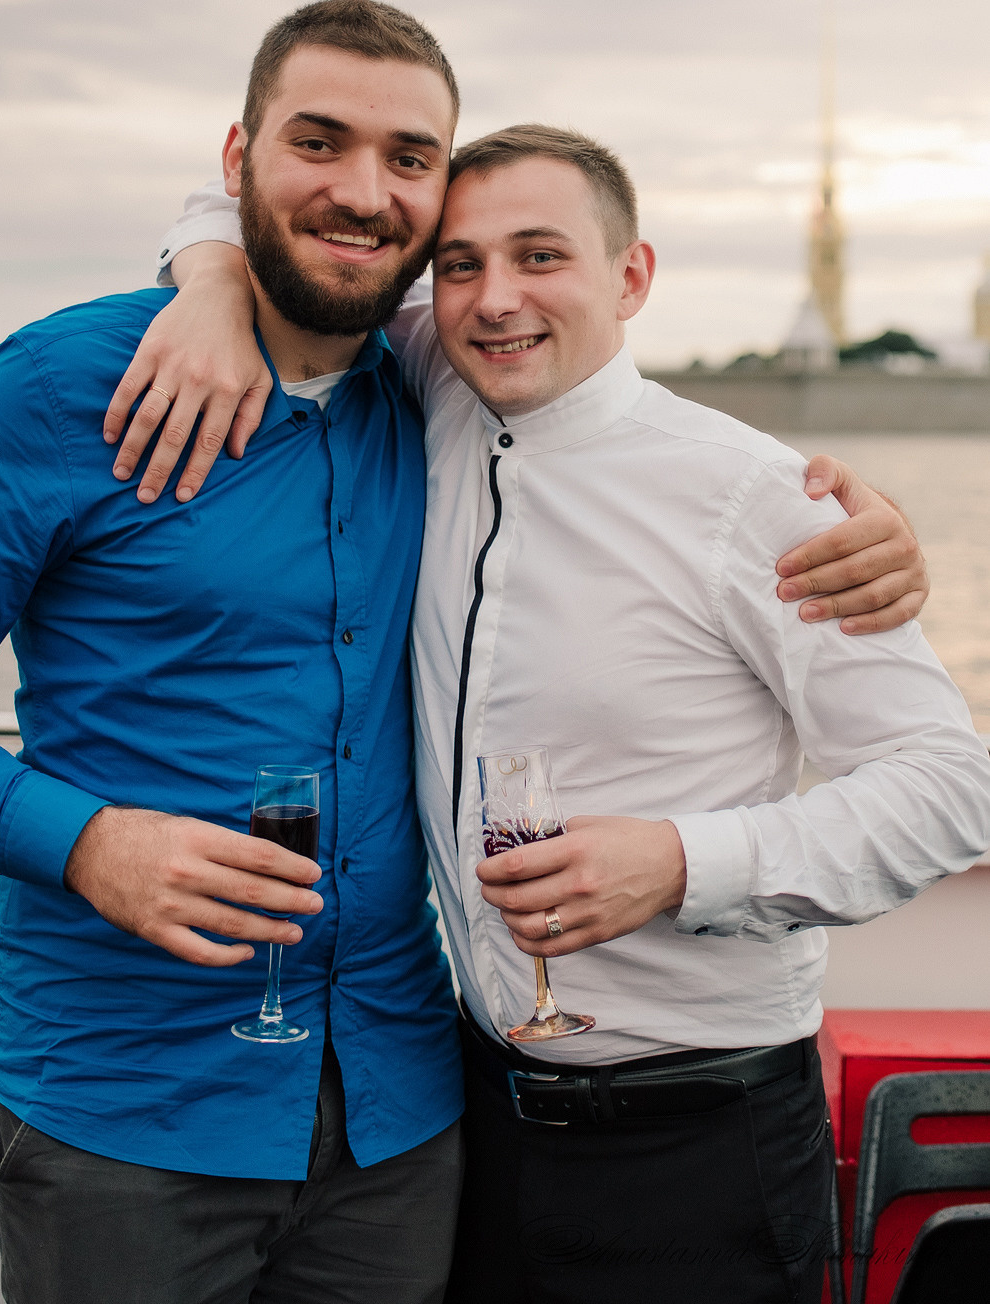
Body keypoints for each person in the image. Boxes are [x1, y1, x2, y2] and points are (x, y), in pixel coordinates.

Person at [0, 0, 927, 1304]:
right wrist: (89, 842)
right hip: (126, 1113)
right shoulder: (64, 387)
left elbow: (617, 417)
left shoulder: (432, 374)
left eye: (408, 159)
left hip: (402, 1125)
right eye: (317, 141)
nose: (363, 191)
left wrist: (840, 525)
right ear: (237, 159)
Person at [144, 110, 987, 1303]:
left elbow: (950, 790)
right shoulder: (429, 381)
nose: (495, 299)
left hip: (697, 1145)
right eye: (459, 264)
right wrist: (208, 285)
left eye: (540, 257)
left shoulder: (761, 500)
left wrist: (681, 862)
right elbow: (269, 222)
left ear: (629, 277)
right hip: (471, 1125)